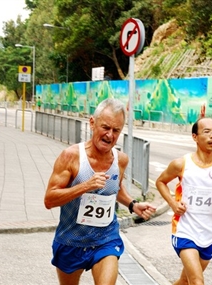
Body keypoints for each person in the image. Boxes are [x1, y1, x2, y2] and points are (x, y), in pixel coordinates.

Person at [44, 98, 156, 285]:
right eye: (105, 127)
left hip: (105, 239)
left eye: (116, 130)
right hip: (71, 240)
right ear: (92, 123)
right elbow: (49, 200)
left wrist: (132, 204)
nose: (110, 135)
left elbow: (115, 188)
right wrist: (85, 186)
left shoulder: (120, 160)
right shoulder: (71, 156)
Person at [155, 117, 212, 285]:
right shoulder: (181, 164)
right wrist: (173, 203)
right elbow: (160, 182)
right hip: (185, 231)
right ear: (195, 137)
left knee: (184, 281)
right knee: (197, 281)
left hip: (209, 234)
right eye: (207, 132)